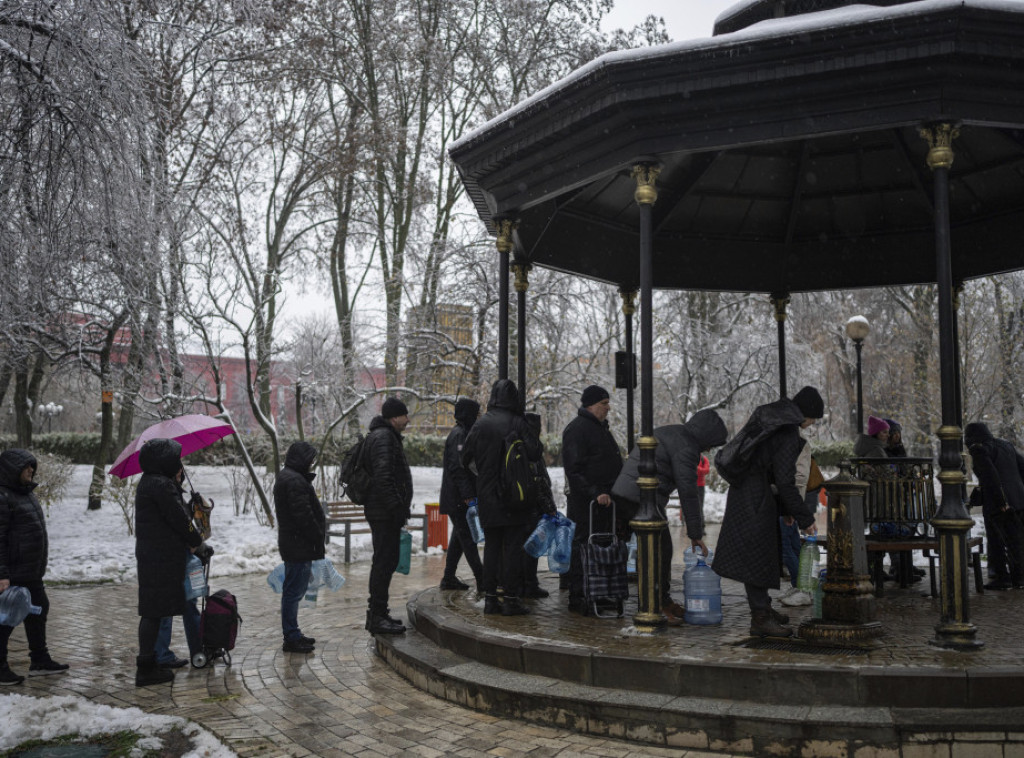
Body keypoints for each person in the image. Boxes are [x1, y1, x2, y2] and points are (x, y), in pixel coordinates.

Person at [713, 386, 823, 637]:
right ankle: (760, 619)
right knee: (757, 558)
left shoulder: (774, 419)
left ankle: (763, 609)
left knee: (760, 555)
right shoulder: (787, 431)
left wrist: (786, 510)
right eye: (814, 417)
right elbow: (785, 481)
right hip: (756, 497)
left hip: (748, 492)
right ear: (807, 413)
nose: (813, 422)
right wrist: (804, 518)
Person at [612, 409, 728, 624]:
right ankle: (656, 604)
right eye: (712, 443)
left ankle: (657, 599)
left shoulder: (674, 432)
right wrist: (695, 533)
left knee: (652, 550)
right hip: (640, 497)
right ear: (705, 436)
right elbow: (688, 491)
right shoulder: (686, 447)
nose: (710, 449)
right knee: (660, 550)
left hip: (631, 494)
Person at [461, 379, 540, 616]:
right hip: (514, 495)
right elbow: (536, 451)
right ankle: (511, 600)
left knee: (492, 548)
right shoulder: (518, 422)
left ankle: (491, 600)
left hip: (487, 496)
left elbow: (464, 458)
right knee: (513, 549)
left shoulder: (481, 424)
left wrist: (483, 473)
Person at [134, 439, 203, 686]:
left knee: (153, 611)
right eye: (175, 459)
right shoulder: (161, 485)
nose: (179, 463)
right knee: (154, 613)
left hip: (154, 556)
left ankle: (149, 663)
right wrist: (196, 539)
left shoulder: (151, 482)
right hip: (160, 558)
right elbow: (178, 518)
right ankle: (146, 668)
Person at [0, 449, 69, 686]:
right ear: (13, 470)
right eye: (27, 467)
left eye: (32, 467)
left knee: (39, 609)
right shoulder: (2, 496)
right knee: (7, 619)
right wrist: (2, 574)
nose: (31, 471)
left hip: (30, 570)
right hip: (13, 571)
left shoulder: (26, 493)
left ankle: (39, 659)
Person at [562, 385, 624, 614]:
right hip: (588, 503)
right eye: (603, 404)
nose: (608, 408)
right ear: (590, 405)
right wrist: (594, 492)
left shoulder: (599, 428)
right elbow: (574, 469)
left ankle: (598, 592)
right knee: (583, 546)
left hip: (604, 502)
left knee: (600, 546)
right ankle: (579, 596)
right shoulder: (578, 429)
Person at [364, 397, 414, 634]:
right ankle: (376, 615)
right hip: (384, 514)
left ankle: (379, 612)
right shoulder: (384, 438)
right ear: (395, 417)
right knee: (384, 563)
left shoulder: (385, 436)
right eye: (405, 415)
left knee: (386, 561)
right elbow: (384, 478)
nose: (407, 419)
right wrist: (397, 509)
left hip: (384, 512)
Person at [274, 440, 325, 653]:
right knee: (293, 592)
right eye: (310, 459)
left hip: (295, 544)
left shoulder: (291, 477)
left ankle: (293, 632)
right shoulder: (294, 481)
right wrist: (317, 536)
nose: (312, 463)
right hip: (298, 544)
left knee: (294, 591)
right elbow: (303, 516)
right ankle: (291, 637)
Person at [965, 422, 1024, 590]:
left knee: (997, 539)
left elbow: (990, 476)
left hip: (998, 503)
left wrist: (1001, 501)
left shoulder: (979, 449)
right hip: (1019, 500)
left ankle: (1002, 577)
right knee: (1016, 540)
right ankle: (1019, 577)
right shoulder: (1006, 445)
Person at [439, 398, 483, 592]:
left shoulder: (464, 433)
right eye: (476, 413)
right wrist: (468, 496)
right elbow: (458, 469)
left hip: (459, 498)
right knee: (467, 539)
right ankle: (482, 579)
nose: (479, 417)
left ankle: (448, 578)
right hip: (459, 499)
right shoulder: (459, 435)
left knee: (459, 538)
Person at [522, 412, 557, 599]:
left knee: (526, 546)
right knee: (531, 547)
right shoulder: (532, 450)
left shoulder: (523, 447)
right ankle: (529, 583)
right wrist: (548, 506)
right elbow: (540, 482)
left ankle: (526, 582)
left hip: (525, 506)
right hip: (533, 507)